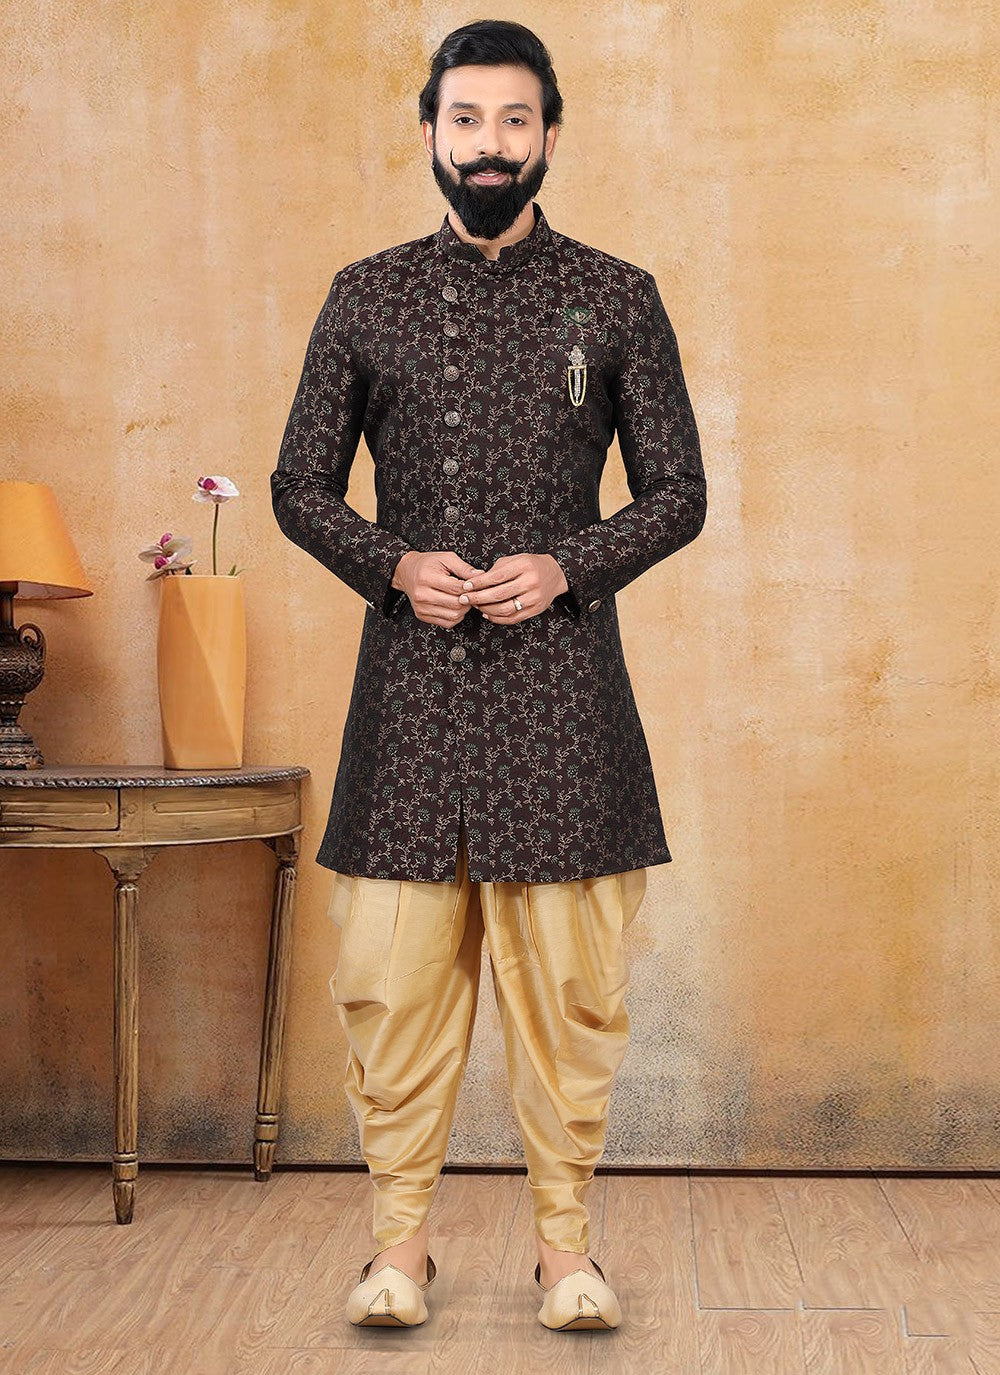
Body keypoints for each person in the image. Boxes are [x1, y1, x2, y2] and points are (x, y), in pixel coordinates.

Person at [270, 19, 706, 1332]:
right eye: (466, 120)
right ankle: (398, 1252)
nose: (490, 145)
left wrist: (570, 566)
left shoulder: (614, 297)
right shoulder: (367, 296)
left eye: (516, 120)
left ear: (550, 135)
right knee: (391, 989)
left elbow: (679, 491)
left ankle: (567, 1254)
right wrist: (392, 562)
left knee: (572, 997)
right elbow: (298, 484)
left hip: (563, 706)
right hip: (408, 709)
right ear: (430, 133)